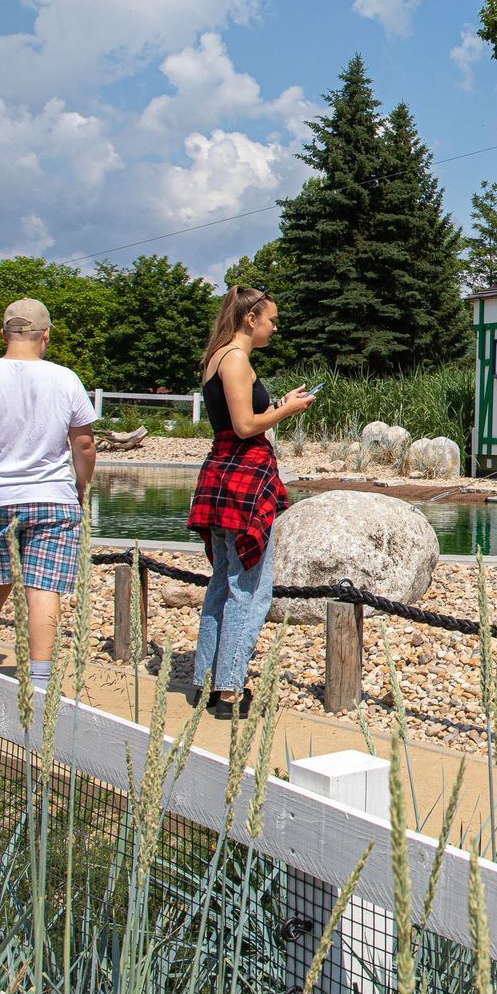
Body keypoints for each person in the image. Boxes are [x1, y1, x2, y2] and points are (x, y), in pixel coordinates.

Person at [0, 298, 97, 691]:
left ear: (3, 334)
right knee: (44, 588)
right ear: (47, 335)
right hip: (53, 497)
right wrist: (79, 485)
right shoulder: (66, 379)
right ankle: (40, 683)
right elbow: (84, 445)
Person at [186, 286, 314, 720]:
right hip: (242, 477)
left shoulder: (216, 357)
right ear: (250, 319)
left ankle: (206, 681)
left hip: (222, 475)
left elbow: (237, 417)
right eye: (271, 320)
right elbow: (244, 426)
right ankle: (229, 692)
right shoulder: (236, 358)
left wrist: (276, 404)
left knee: (223, 582)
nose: (275, 327)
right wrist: (289, 410)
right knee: (250, 589)